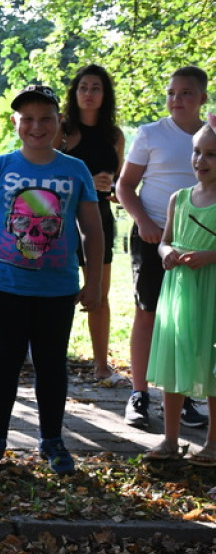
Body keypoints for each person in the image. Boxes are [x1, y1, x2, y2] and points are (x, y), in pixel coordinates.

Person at [0, 84, 102, 475]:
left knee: (51, 365)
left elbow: (92, 229)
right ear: (15, 123)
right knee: (3, 364)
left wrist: (93, 283)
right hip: (5, 287)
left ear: (59, 121)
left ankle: (52, 440)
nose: (36, 126)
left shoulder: (74, 170)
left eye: (45, 118)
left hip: (58, 290)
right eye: (27, 119)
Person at [116, 66, 209, 429]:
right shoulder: (151, 134)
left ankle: (183, 395)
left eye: (186, 93)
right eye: (171, 93)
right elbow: (124, 186)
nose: (176, 100)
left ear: (202, 98)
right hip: (154, 239)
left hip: (199, 246)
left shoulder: (210, 136)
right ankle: (139, 394)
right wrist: (145, 223)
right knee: (148, 313)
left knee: (191, 320)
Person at [142, 118, 216, 464]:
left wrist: (210, 255)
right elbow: (166, 240)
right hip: (180, 289)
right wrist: (165, 252)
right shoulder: (179, 198)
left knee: (212, 364)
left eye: (212, 155)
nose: (201, 161)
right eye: (197, 152)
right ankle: (170, 439)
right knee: (174, 358)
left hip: (211, 290)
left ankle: (213, 443)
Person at [54, 64, 126, 384]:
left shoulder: (114, 136)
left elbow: (119, 186)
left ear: (104, 95)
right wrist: (81, 181)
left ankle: (100, 365)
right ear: (75, 92)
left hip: (99, 220)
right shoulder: (63, 131)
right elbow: (46, 173)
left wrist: (110, 187)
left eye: (95, 88)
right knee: (57, 292)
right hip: (62, 219)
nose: (88, 94)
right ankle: (52, 358)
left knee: (99, 293)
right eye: (83, 87)